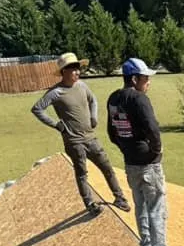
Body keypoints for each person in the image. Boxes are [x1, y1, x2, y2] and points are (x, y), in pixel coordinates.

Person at [31, 52, 130, 217]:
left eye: (78, 69)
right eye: (73, 69)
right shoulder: (56, 92)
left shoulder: (83, 86)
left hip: (91, 137)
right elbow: (37, 108)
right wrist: (56, 125)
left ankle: (119, 198)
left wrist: (93, 116)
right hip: (74, 141)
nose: (77, 72)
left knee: (107, 168)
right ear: (63, 72)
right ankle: (90, 204)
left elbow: (93, 101)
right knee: (82, 173)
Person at [106, 58, 180, 246]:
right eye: (146, 78)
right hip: (149, 164)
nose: (148, 82)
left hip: (130, 164)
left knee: (141, 206)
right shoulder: (139, 99)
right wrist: (156, 151)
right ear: (135, 78)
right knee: (157, 207)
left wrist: (126, 149)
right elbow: (153, 129)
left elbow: (112, 133)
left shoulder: (114, 98)